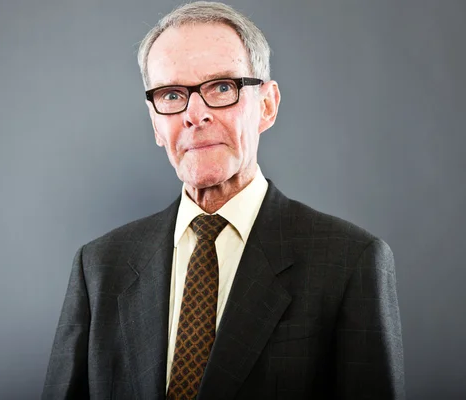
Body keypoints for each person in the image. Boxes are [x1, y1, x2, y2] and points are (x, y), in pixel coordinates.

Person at [42, 2, 405, 399]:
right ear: (156, 123)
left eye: (221, 88)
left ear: (267, 106)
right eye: (172, 94)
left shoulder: (350, 262)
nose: (194, 114)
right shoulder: (99, 268)